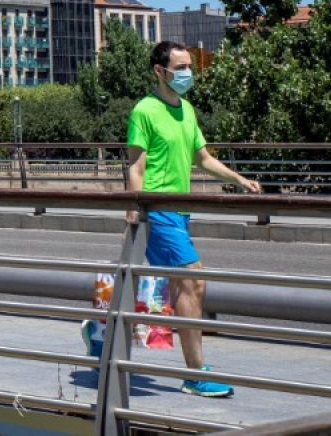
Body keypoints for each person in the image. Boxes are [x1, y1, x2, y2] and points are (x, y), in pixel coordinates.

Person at [117, 40, 260, 399]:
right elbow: (137, 164)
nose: (187, 74)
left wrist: (238, 179)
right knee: (192, 281)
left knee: (174, 285)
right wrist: (135, 208)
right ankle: (195, 373)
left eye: (189, 67)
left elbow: (203, 158)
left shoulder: (187, 109)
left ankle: (100, 333)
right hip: (157, 208)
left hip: (180, 210)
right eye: (180, 68)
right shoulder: (144, 111)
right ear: (159, 71)